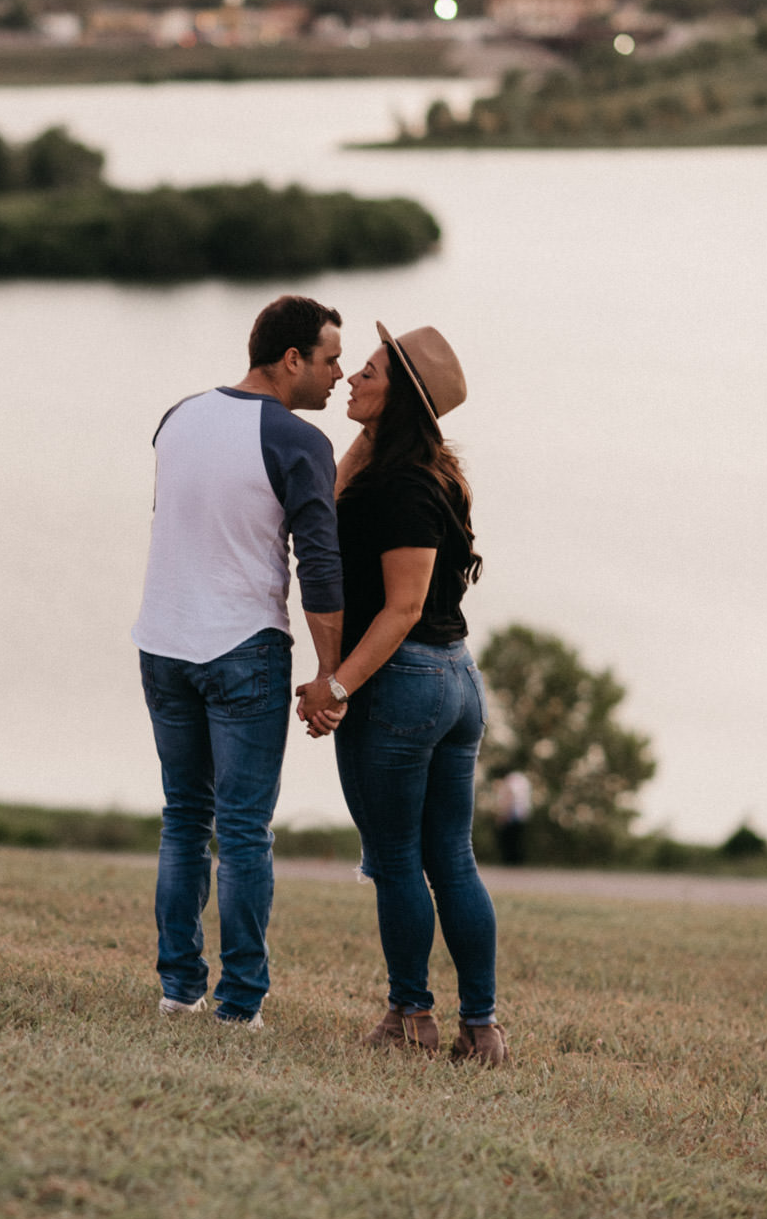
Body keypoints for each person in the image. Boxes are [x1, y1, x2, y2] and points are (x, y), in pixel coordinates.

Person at [296, 322, 508, 1065]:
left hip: (404, 683)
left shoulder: (404, 486)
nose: (351, 378)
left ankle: (411, 1018)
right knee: (451, 857)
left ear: (402, 400)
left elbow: (403, 606)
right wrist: (373, 427)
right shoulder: (419, 472)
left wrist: (337, 685)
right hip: (454, 681)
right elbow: (326, 502)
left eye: (371, 374)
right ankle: (479, 1030)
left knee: (396, 860)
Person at [133, 295, 345, 1028]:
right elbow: (321, 568)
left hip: (161, 642)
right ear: (292, 360)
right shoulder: (298, 442)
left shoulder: (178, 416)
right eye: (329, 360)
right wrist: (330, 677)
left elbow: (176, 518)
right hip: (241, 647)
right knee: (245, 831)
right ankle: (239, 1006)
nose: (339, 376)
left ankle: (177, 989)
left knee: (184, 819)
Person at [495, 768, 533, 866]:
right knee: (518, 839)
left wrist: (504, 814)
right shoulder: (523, 779)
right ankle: (518, 861)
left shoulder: (510, 780)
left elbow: (509, 796)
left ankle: (510, 862)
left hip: (513, 814)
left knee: (509, 840)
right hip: (522, 813)